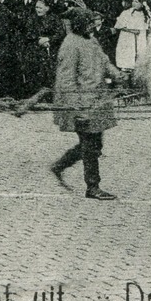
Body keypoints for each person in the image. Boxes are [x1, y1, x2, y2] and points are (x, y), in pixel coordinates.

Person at [49, 13, 123, 200]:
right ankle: (93, 186)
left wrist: (118, 75)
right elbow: (65, 80)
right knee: (90, 145)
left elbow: (104, 62)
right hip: (82, 103)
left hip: (97, 100)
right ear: (81, 24)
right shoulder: (70, 44)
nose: (93, 26)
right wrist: (77, 108)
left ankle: (60, 165)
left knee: (95, 144)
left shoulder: (91, 40)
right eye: (90, 23)